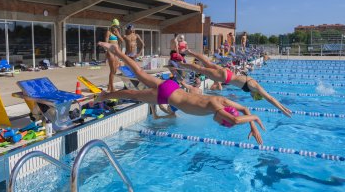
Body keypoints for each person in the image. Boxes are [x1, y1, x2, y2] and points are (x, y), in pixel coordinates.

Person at [96, 42, 265, 144]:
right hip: (167, 96)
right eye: (222, 122)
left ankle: (117, 51)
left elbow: (243, 110)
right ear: (224, 116)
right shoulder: (216, 107)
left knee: (139, 73)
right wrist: (255, 119)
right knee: (132, 94)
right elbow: (236, 119)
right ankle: (105, 96)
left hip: (172, 87)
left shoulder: (221, 101)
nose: (219, 123)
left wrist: (252, 126)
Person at [178, 50, 292, 117]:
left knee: (207, 63)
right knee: (200, 69)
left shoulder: (253, 83)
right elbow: (270, 98)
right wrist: (283, 110)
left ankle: (190, 52)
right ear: (256, 94)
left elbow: (270, 97)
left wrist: (284, 108)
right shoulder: (255, 87)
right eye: (255, 97)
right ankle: (181, 64)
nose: (252, 96)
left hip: (227, 73)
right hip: (225, 77)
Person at [104, 18, 124, 92]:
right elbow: (106, 43)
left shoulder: (116, 32)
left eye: (117, 27)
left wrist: (117, 35)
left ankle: (109, 86)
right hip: (111, 52)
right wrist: (107, 52)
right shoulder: (108, 32)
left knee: (115, 70)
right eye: (115, 26)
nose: (116, 28)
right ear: (112, 26)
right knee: (112, 70)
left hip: (116, 53)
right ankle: (111, 87)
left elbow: (122, 40)